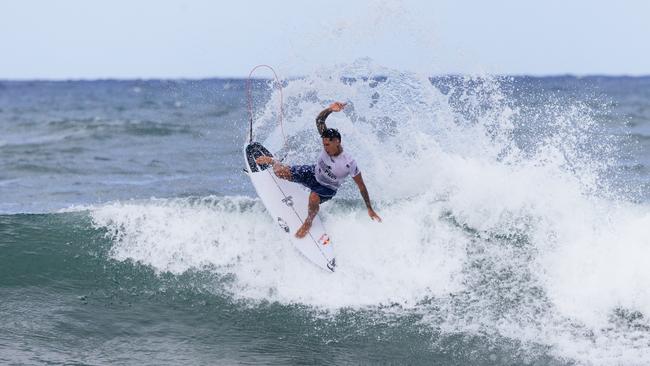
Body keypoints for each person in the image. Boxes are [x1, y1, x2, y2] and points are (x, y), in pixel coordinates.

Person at [255, 101, 382, 238]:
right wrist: (330, 110)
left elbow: (361, 186)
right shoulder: (327, 141)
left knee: (314, 197)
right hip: (312, 172)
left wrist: (369, 208)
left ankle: (308, 222)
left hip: (327, 188)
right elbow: (320, 120)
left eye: (327, 144)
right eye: (323, 144)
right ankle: (273, 160)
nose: (325, 148)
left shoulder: (349, 163)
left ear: (337, 142)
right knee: (280, 172)